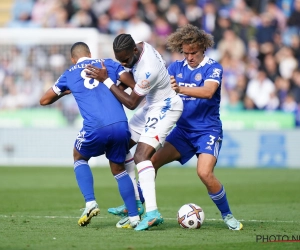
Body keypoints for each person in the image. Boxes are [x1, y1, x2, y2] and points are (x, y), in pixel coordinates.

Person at [105, 24, 243, 230]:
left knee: (204, 173)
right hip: (182, 131)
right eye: (186, 53)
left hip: (207, 131)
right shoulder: (176, 68)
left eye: (194, 53)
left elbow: (208, 92)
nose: (189, 57)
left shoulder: (214, 67)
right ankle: (139, 208)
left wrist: (180, 88)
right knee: (150, 162)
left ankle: (227, 215)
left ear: (203, 48)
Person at [85, 33, 183, 231]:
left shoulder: (149, 69)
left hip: (166, 106)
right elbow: (129, 76)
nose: (124, 63)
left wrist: (106, 81)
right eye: (120, 60)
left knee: (141, 156)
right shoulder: (136, 47)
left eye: (126, 59)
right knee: (118, 148)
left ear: (135, 51)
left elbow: (131, 103)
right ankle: (136, 203)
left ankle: (153, 212)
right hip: (151, 106)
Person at [39, 42, 141, 228]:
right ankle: (134, 218)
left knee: (79, 156)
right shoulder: (109, 63)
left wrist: (65, 92)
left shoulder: (69, 73)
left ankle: (90, 202)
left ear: (73, 58)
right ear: (90, 54)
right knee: (118, 169)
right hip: (120, 124)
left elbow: (44, 100)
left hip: (95, 127)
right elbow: (135, 85)